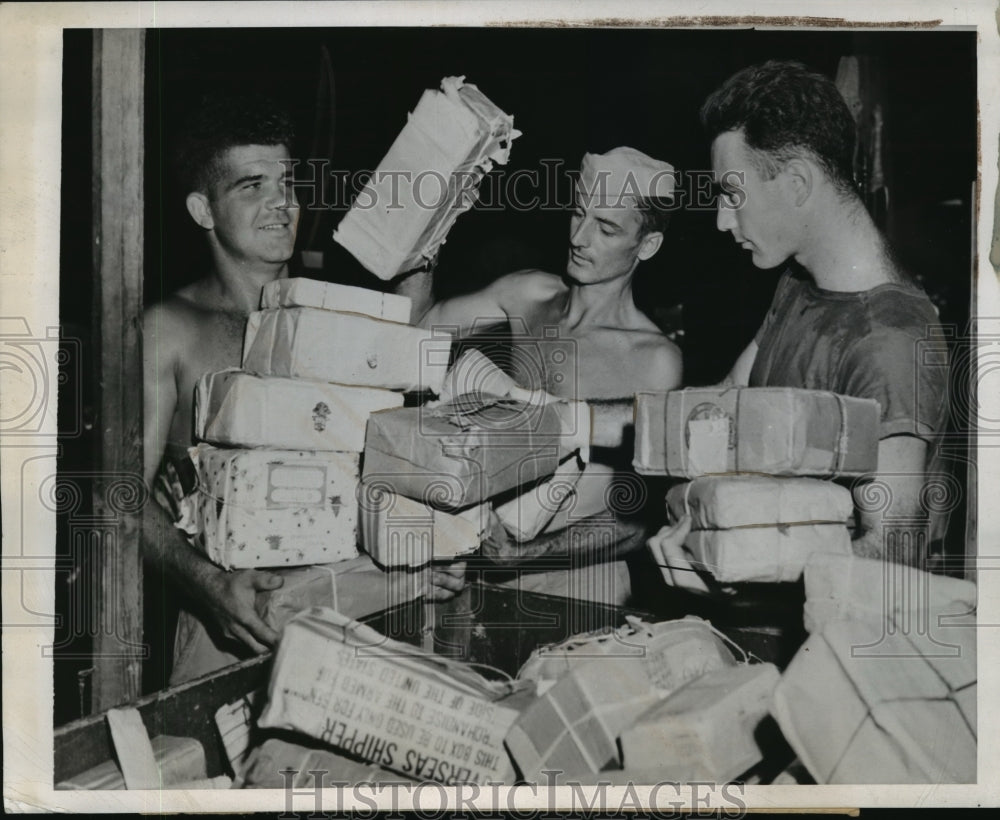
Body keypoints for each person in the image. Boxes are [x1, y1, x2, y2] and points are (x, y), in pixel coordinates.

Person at [649, 61, 949, 577]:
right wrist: (570, 423)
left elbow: (892, 556)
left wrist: (732, 567)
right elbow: (724, 407)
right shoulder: (799, 287)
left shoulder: (890, 339)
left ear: (796, 183)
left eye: (732, 194)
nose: (723, 220)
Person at [397, 146, 682, 605]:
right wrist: (425, 228)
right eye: (578, 214)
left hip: (582, 587)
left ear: (647, 245)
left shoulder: (654, 359)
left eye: (606, 227)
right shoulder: (529, 293)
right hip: (483, 571)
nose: (580, 238)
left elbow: (637, 520)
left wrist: (524, 554)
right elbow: (416, 332)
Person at [142, 95, 302, 683]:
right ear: (202, 209)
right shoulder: (170, 330)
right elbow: (118, 500)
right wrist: (210, 587)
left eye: (286, 182)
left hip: (345, 606)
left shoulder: (335, 317)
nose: (281, 203)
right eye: (251, 186)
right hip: (227, 629)